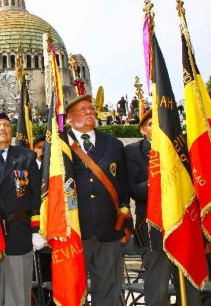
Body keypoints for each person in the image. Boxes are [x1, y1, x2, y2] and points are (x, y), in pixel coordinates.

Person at [62, 94, 132, 305]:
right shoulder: (58, 143)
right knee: (73, 289)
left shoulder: (113, 144)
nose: (90, 113)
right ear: (70, 118)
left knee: (108, 288)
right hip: (72, 229)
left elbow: (123, 185)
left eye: (91, 109)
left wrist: (126, 221)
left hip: (108, 227)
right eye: (83, 110)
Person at [126, 109, 201, 305]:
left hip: (184, 225)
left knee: (190, 286)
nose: (157, 128)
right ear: (143, 129)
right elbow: (135, 190)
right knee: (157, 288)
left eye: (160, 123)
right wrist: (159, 179)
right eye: (151, 124)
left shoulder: (182, 148)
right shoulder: (133, 151)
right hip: (153, 229)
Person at [0, 112, 44, 305]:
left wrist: (36, 230)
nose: (3, 129)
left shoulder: (27, 157)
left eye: (7, 125)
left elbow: (36, 196)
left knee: (18, 291)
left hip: (19, 232)